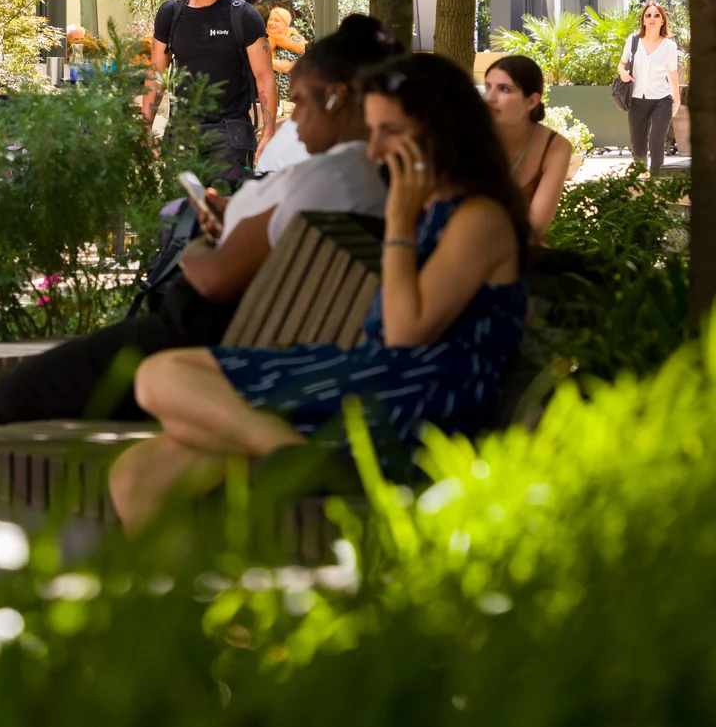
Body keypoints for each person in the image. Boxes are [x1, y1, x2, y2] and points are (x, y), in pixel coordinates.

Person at [109, 53, 528, 534]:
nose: (374, 151)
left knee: (161, 376)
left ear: (438, 129)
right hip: (372, 378)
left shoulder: (478, 218)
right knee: (136, 473)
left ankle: (294, 458)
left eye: (389, 131)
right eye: (372, 133)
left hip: (414, 402)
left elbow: (405, 332)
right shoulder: (430, 208)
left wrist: (396, 219)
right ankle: (283, 466)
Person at [0, 15, 398, 425]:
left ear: (336, 98)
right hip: (251, 336)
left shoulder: (329, 177)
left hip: (202, 337)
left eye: (303, 102)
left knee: (17, 391)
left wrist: (202, 243)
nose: (296, 119)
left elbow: (214, 278)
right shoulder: (365, 177)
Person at [147, 0, 276, 182]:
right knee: (180, 210)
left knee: (224, 210)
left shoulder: (244, 16)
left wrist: (268, 131)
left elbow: (264, 76)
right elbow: (156, 74)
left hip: (229, 133)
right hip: (182, 132)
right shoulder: (170, 13)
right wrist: (145, 126)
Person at [484, 55, 574, 241]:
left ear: (531, 102)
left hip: (518, 252)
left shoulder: (555, 147)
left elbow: (534, 227)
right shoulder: (468, 137)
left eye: (504, 89)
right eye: (487, 87)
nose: (490, 98)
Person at [619, 2, 682, 178]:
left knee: (656, 141)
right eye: (648, 15)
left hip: (662, 99)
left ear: (663, 21)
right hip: (637, 99)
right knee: (638, 144)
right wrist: (623, 73)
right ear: (643, 20)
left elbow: (673, 74)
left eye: (656, 15)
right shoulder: (633, 40)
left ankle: (656, 180)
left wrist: (676, 100)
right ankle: (641, 177)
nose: (652, 18)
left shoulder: (669, 46)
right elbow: (622, 64)